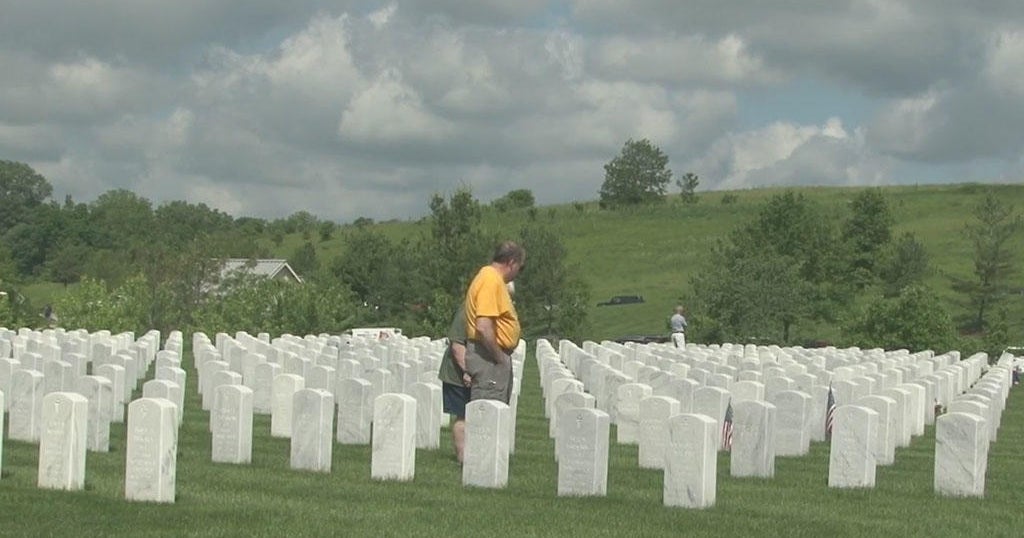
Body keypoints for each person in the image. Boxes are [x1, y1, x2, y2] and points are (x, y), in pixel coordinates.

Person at [464, 241, 525, 404]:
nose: (519, 272)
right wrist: (500, 358)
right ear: (512, 262)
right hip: (488, 358)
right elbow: (483, 326)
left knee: (497, 416)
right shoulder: (490, 280)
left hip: (490, 356)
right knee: (488, 414)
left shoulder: (492, 279)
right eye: (520, 266)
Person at [436, 305, 471, 463]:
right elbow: (457, 346)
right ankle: (462, 457)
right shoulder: (466, 311)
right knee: (462, 414)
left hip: (475, 372)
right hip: (458, 374)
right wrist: (468, 371)